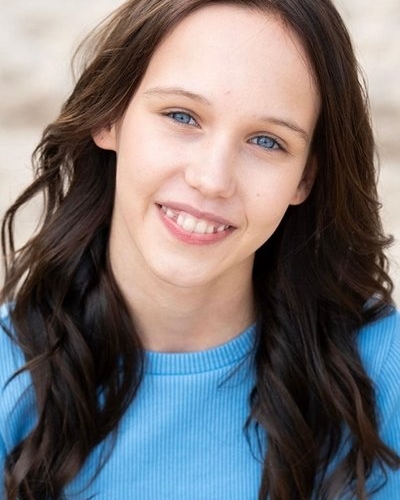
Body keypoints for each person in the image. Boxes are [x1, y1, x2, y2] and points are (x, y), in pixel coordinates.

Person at [1, 0, 399, 498]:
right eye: (182, 116)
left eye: (267, 141)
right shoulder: (8, 372)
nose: (212, 179)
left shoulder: (380, 370)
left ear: (305, 178)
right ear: (109, 117)